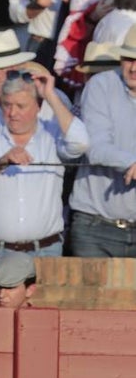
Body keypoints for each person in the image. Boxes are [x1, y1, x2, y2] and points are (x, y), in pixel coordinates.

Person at [0, 67, 88, 256]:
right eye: (7, 105)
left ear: (38, 106)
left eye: (21, 106)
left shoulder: (53, 133)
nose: (13, 113)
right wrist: (1, 163)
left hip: (45, 251)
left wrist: (50, 95)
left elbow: (81, 143)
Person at [68, 25, 136, 257]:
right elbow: (95, 148)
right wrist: (133, 162)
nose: (133, 67)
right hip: (95, 225)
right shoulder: (100, 85)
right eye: (128, 59)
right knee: (88, 294)